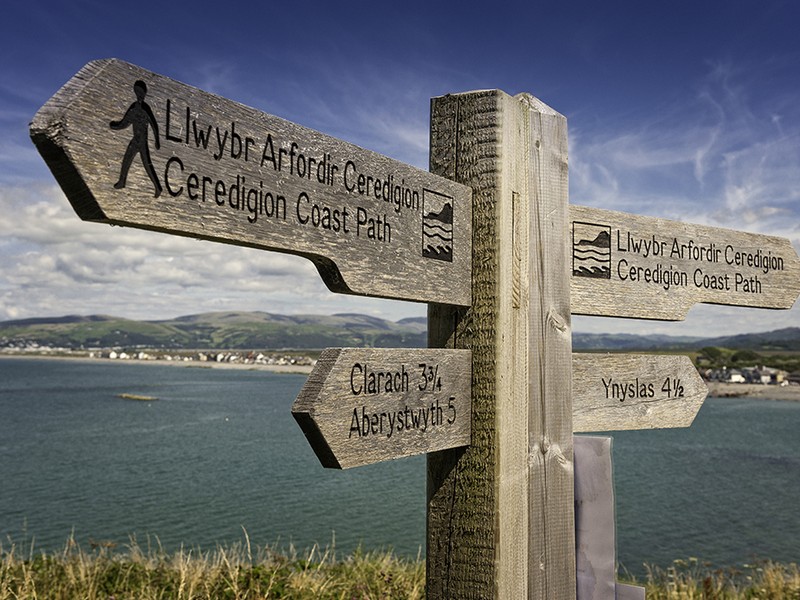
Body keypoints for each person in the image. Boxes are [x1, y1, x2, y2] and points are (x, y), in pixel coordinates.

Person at [110, 80, 162, 197]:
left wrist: (157, 140)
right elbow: (125, 122)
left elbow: (154, 125)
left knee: (147, 165)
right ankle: (122, 182)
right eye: (137, 91)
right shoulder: (133, 107)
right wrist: (115, 126)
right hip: (135, 140)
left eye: (141, 92)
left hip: (143, 142)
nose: (139, 94)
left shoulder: (146, 109)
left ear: (144, 93)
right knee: (126, 159)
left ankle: (157, 187)